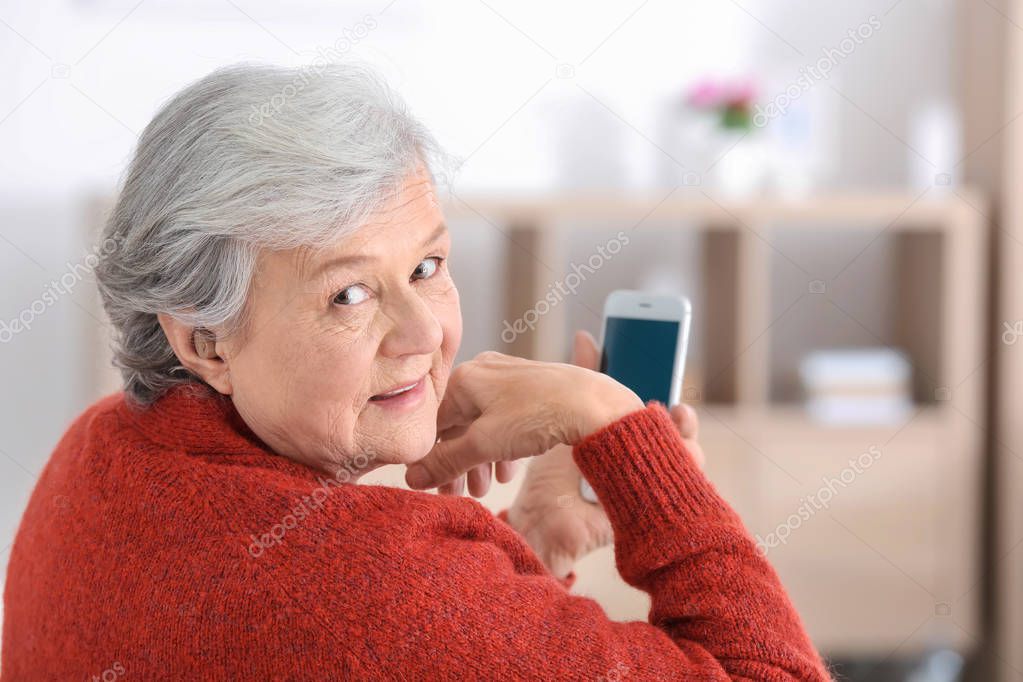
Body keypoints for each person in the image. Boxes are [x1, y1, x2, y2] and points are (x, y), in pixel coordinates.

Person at [2, 63, 829, 680]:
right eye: (349, 294)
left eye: (429, 265)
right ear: (206, 343)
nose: (423, 333)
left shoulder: (101, 448)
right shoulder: (369, 587)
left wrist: (519, 566)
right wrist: (616, 426)